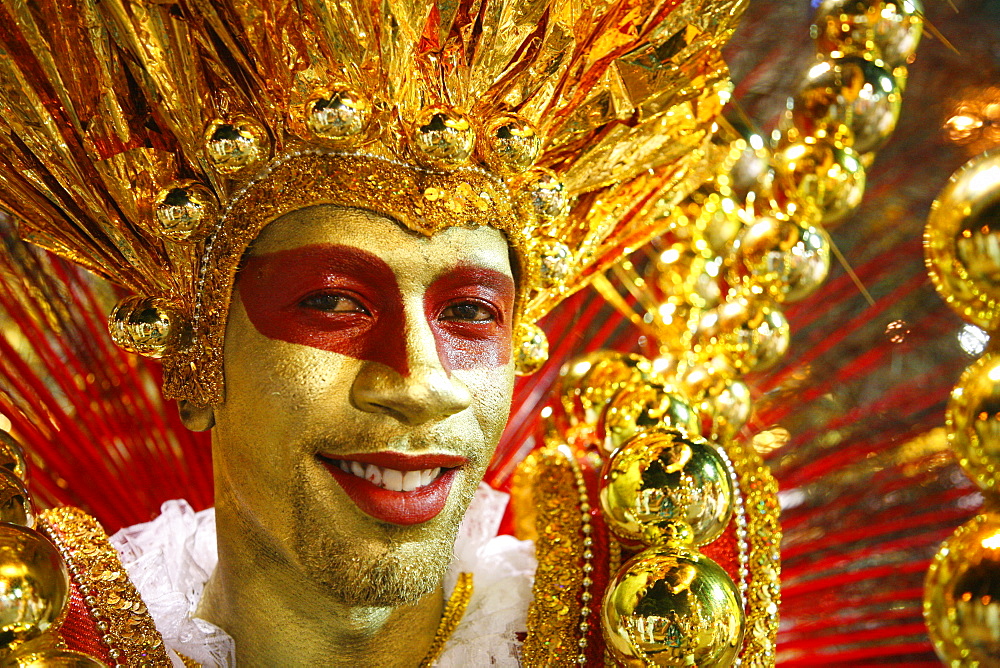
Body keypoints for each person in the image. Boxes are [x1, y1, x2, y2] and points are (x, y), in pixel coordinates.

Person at [0, 0, 775, 664]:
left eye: (470, 312)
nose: (419, 384)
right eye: (336, 304)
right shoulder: (43, 631)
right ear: (199, 358)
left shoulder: (649, 627)